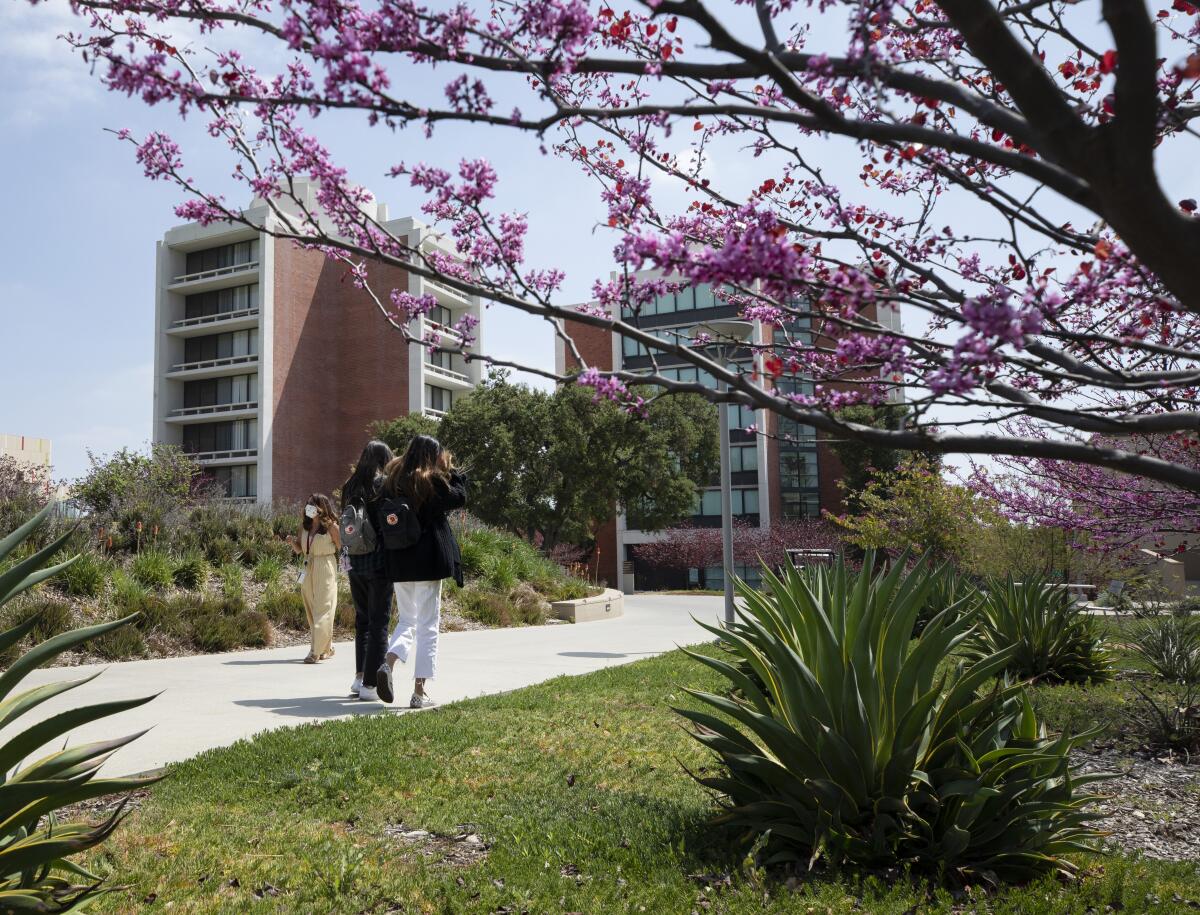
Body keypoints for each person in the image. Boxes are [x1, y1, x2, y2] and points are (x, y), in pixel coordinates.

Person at [377, 435, 467, 708]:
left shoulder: (392, 481)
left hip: (400, 562)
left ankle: (388, 663)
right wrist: (453, 472)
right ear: (433, 455)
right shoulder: (433, 482)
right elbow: (460, 498)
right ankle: (418, 692)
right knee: (428, 626)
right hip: (428, 562)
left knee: (406, 621)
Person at [339, 440, 395, 701]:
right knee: (379, 622)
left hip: (353, 561)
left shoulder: (350, 486)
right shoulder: (382, 485)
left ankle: (360, 676)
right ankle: (371, 686)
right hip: (379, 562)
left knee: (362, 621)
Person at [287, 493, 341, 664]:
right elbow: (299, 550)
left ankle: (315, 651)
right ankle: (327, 647)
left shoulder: (332, 527)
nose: (308, 507)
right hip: (307, 566)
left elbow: (341, 547)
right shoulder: (305, 527)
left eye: (312, 505)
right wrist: (291, 542)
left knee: (323, 608)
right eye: (307, 504)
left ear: (321, 508)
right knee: (311, 608)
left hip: (326, 565)